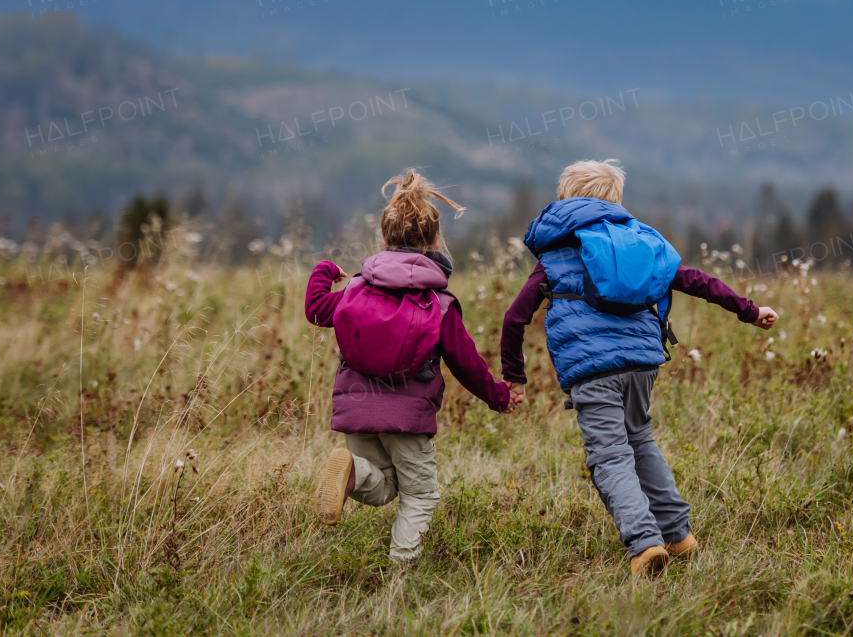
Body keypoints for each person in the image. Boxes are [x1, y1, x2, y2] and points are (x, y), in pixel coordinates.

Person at [499, 159, 778, 576]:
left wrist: (514, 377)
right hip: (644, 362)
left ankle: (645, 543)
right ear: (615, 200)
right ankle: (679, 535)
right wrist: (750, 311)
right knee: (641, 442)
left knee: (610, 455)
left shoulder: (555, 257)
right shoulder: (641, 246)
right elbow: (695, 280)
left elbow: (514, 318)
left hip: (592, 370)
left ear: (565, 200)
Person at [306, 169, 519, 563]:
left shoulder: (354, 288)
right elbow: (466, 363)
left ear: (384, 238)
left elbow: (317, 310)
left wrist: (323, 271)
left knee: (383, 487)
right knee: (420, 494)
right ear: (435, 242)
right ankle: (400, 575)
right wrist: (499, 396)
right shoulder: (439, 303)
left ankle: (351, 467)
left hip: (354, 411)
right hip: (407, 417)